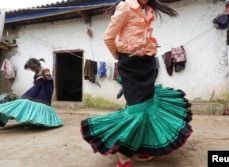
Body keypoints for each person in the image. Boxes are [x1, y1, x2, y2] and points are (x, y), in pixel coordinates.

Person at [80, 0, 193, 167]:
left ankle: (142, 146)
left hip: (147, 63)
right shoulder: (125, 6)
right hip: (130, 63)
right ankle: (123, 157)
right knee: (136, 109)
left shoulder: (147, 9)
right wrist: (120, 57)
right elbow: (108, 37)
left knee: (147, 105)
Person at [0, 58, 63, 128]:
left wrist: (43, 78)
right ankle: (30, 120)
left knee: (30, 101)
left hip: (43, 91)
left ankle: (35, 122)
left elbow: (49, 78)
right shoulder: (37, 72)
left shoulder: (45, 70)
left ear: (35, 66)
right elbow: (38, 81)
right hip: (38, 89)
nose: (32, 70)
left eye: (31, 69)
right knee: (25, 99)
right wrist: (36, 81)